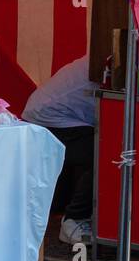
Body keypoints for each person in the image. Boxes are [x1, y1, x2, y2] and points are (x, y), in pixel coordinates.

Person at [23, 56, 97, 245]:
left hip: (50, 115)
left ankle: (70, 214)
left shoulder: (103, 55)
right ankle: (74, 220)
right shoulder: (111, 56)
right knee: (104, 155)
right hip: (49, 119)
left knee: (103, 150)